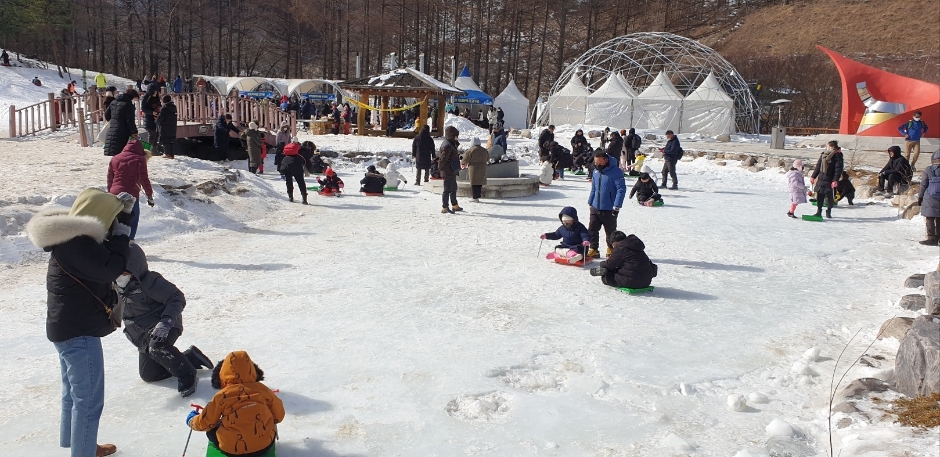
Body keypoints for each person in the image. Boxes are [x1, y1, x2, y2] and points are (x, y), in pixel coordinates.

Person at [25, 187, 134, 457]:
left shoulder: (71, 239)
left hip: (67, 327)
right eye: (110, 219)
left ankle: (80, 445)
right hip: (78, 332)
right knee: (88, 400)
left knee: (73, 393)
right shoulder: (77, 245)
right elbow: (109, 267)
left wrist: (126, 219)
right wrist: (122, 237)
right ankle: (82, 451)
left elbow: (101, 256)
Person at [116, 244, 213, 398]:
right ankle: (190, 358)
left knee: (157, 347)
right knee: (149, 374)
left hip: (166, 325)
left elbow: (177, 298)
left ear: (135, 269)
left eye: (126, 272)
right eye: (118, 272)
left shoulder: (149, 282)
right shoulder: (115, 286)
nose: (121, 276)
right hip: (142, 333)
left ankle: (188, 375)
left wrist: (166, 321)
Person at [186, 351, 284, 457]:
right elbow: (279, 416)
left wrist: (192, 421)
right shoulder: (263, 390)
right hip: (264, 445)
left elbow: (206, 423)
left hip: (232, 450)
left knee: (211, 430)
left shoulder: (222, 396)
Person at [107, 136, 154, 240]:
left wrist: (109, 192)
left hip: (115, 193)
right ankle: (129, 242)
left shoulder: (115, 158)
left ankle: (112, 241)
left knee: (114, 218)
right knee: (132, 218)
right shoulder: (139, 159)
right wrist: (149, 195)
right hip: (131, 194)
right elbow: (144, 179)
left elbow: (110, 178)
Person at [587, 150, 626, 258]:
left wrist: (617, 205)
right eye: (596, 163)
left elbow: (621, 189)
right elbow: (594, 188)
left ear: (606, 160)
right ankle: (594, 249)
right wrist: (590, 201)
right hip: (595, 206)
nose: (597, 165)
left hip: (609, 208)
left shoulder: (616, 172)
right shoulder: (595, 171)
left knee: (610, 231)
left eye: (600, 163)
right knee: (592, 229)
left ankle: (611, 249)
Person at [589, 232, 657, 289]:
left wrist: (602, 264)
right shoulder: (636, 246)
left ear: (615, 242)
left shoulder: (620, 249)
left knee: (607, 278)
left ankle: (605, 273)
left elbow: (610, 264)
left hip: (632, 282)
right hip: (647, 281)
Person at [810, 140, 844, 219]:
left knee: (830, 196)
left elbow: (838, 169)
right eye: (828, 146)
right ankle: (819, 211)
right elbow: (818, 166)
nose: (828, 148)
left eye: (830, 147)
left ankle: (829, 211)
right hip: (822, 178)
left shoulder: (838, 156)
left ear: (834, 147)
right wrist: (813, 176)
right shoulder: (823, 155)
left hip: (830, 179)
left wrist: (835, 180)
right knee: (820, 195)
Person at [104, 89, 138, 156]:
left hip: (112, 130)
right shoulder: (128, 105)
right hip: (123, 132)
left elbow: (107, 115)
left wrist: (114, 120)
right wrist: (134, 132)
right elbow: (130, 120)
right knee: (121, 153)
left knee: (113, 153)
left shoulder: (113, 102)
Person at [916, 150, 940, 245]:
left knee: (930, 218)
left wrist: (920, 196)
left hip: (930, 197)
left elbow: (923, 184)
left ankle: (931, 238)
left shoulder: (928, 169)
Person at [439, 126, 462, 214]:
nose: (457, 137)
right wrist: (440, 169)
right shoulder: (447, 145)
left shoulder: (451, 143)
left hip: (451, 170)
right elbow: (443, 159)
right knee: (447, 189)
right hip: (448, 170)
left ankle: (454, 205)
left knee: (453, 188)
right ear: (452, 136)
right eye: (456, 136)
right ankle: (444, 207)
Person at [280, 139, 309, 204]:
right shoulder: (300, 153)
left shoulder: (286, 157)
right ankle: (304, 199)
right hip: (297, 167)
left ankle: (290, 197)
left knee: (289, 182)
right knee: (301, 182)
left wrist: (282, 173)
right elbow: (305, 161)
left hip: (287, 168)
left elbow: (282, 166)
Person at [463, 137, 489, 202]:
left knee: (474, 183)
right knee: (479, 182)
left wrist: (463, 163)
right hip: (483, 167)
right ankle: (478, 195)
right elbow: (488, 158)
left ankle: (475, 197)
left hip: (473, 168)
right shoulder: (484, 150)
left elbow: (466, 159)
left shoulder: (471, 150)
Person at [141, 79, 161, 144]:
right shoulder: (145, 98)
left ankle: (154, 149)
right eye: (154, 92)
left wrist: (159, 109)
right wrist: (152, 112)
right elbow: (143, 109)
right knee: (152, 134)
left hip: (156, 118)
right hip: (149, 118)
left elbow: (159, 104)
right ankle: (150, 149)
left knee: (157, 134)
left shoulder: (156, 97)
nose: (155, 93)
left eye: (156, 92)